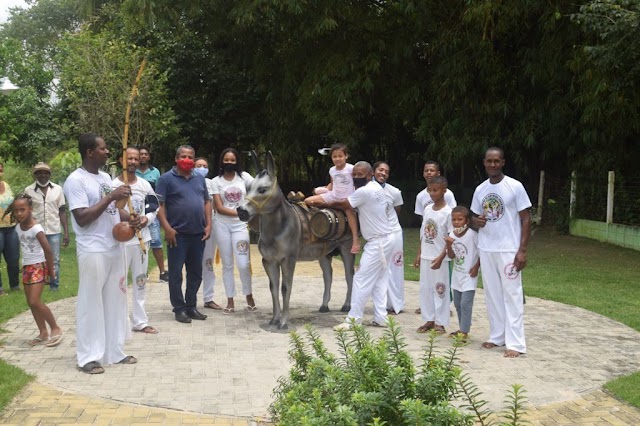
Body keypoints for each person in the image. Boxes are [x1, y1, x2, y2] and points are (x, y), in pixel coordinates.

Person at [63, 132, 139, 374]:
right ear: (90, 152)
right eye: (103, 149)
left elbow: (113, 212)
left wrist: (133, 219)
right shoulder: (75, 180)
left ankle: (113, 351)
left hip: (114, 246)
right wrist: (110, 197)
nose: (108, 152)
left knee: (116, 300)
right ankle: (87, 356)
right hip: (92, 248)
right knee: (91, 302)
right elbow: (83, 218)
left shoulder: (105, 177)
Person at [471, 147, 531, 358]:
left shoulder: (515, 186)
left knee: (512, 294)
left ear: (503, 162)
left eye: (497, 161)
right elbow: (474, 219)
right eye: (489, 161)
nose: (493, 164)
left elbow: (525, 218)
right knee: (492, 295)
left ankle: (515, 343)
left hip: (508, 249)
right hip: (487, 248)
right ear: (484, 163)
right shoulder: (480, 190)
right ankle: (497, 336)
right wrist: (475, 222)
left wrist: (522, 250)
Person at [333, 161, 401, 330]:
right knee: (379, 279)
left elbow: (344, 204)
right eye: (354, 175)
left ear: (369, 175)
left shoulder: (365, 191)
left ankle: (353, 320)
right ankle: (380, 317)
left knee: (361, 279)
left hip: (378, 241)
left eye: (360, 175)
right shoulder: (377, 188)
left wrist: (322, 201)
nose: (356, 178)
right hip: (386, 238)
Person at [156, 145, 212, 323]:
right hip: (177, 234)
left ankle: (191, 306)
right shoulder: (166, 179)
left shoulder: (199, 178)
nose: (187, 160)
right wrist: (167, 228)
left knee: (195, 272)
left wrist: (209, 224)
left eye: (190, 157)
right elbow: (159, 205)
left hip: (198, 234)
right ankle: (179, 308)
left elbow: (206, 202)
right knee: (176, 273)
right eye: (183, 156)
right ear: (176, 158)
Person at [113, 147, 158, 334]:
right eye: (128, 158)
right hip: (120, 242)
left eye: (135, 159)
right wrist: (127, 218)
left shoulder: (144, 184)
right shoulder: (112, 184)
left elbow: (153, 207)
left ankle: (140, 321)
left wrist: (145, 219)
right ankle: (119, 322)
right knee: (120, 283)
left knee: (140, 281)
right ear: (120, 160)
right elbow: (112, 209)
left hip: (141, 239)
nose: (132, 161)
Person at [11, 193, 63, 347]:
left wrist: (51, 271)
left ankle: (55, 327)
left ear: (30, 209)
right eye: (17, 210)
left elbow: (48, 251)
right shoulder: (17, 228)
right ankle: (43, 332)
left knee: (35, 300)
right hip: (27, 267)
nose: (19, 213)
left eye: (23, 209)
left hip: (38, 266)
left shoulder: (36, 229)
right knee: (31, 303)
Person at [211, 148, 256, 314]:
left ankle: (249, 295)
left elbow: (259, 187)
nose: (229, 163)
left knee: (244, 263)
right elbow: (219, 208)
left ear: (237, 162)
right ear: (222, 162)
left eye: (232, 160)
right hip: (222, 225)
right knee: (227, 264)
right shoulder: (215, 181)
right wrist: (240, 212)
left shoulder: (244, 177)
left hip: (240, 226)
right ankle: (230, 300)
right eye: (226, 160)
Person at [414, 160, 457, 315]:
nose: (432, 194)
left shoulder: (448, 207)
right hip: (427, 249)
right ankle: (429, 315)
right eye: (426, 170)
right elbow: (424, 228)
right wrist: (419, 252)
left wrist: (444, 253)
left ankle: (443, 313)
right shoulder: (424, 204)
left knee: (441, 285)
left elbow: (452, 228)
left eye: (432, 170)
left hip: (441, 250)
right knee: (425, 286)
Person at [304, 143, 360, 254]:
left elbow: (357, 183)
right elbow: (332, 184)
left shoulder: (351, 168)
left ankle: (355, 239)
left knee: (349, 211)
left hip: (347, 198)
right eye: (335, 156)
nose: (337, 159)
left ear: (346, 156)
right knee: (308, 201)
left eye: (340, 156)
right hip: (334, 195)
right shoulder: (332, 170)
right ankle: (315, 231)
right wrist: (324, 190)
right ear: (331, 158)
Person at [24, 162, 70, 291]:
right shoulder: (29, 190)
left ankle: (54, 285)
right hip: (36, 231)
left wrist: (66, 232)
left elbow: (62, 211)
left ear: (49, 174)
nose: (42, 175)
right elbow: (27, 211)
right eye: (39, 172)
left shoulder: (57, 189)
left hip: (54, 230)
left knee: (54, 259)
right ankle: (38, 284)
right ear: (35, 175)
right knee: (36, 259)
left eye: (45, 172)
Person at [372, 161, 405, 315]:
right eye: (380, 170)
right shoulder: (367, 190)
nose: (383, 173)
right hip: (377, 235)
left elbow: (395, 212)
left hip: (394, 232)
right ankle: (381, 303)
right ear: (373, 171)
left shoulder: (395, 192)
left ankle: (395, 304)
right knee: (380, 268)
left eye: (386, 171)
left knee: (395, 267)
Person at [444, 206, 480, 342]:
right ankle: (462, 327)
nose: (457, 222)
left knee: (466, 303)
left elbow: (481, 251)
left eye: (460, 219)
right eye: (454, 219)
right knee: (458, 303)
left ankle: (464, 332)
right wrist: (448, 244)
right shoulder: (452, 235)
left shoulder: (473, 235)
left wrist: (476, 266)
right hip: (457, 275)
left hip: (469, 275)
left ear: (467, 221)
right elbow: (452, 255)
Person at [136, 146, 168, 283]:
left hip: (151, 210)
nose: (143, 156)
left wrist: (161, 213)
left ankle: (162, 271)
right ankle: (144, 271)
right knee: (139, 242)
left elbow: (159, 195)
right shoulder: (132, 171)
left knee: (156, 241)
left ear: (149, 157)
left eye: (145, 154)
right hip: (137, 210)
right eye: (140, 154)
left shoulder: (155, 172)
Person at [194, 157, 222, 311]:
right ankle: (189, 299)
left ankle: (208, 297)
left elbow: (216, 205)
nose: (202, 168)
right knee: (192, 264)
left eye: (205, 166)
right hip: (190, 227)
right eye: (199, 165)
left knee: (208, 262)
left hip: (210, 227)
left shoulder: (211, 183)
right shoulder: (188, 181)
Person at [0, 163, 20, 296]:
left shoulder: (6, 185)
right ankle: (0, 289)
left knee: (13, 259)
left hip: (11, 228)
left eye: (1, 168)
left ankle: (15, 286)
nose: (0, 170)